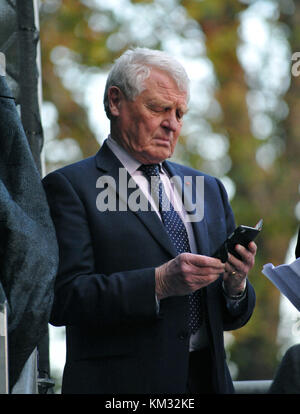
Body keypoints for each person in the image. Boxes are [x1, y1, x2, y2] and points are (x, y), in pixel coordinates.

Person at [43, 47, 257, 394]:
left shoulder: (208, 189)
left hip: (208, 382)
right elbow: (63, 299)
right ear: (116, 102)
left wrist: (235, 287)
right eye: (159, 108)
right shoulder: (70, 187)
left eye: (180, 113)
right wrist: (158, 283)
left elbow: (232, 315)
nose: (172, 123)